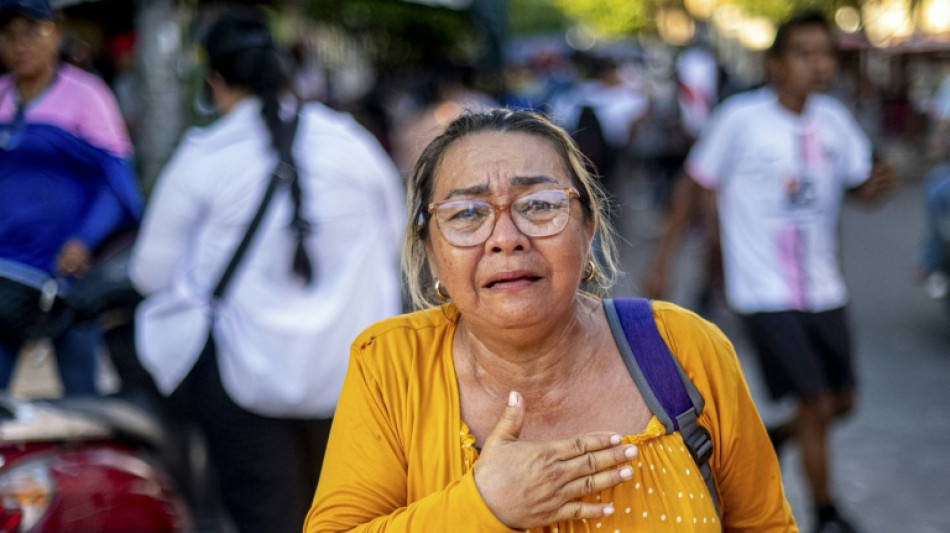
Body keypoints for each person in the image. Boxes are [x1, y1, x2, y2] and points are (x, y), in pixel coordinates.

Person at [304, 108, 797, 532]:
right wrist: (483, 505)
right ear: (431, 252)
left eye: (539, 205)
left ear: (588, 228)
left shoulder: (685, 347)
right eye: (467, 213)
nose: (506, 237)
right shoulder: (391, 366)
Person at [129, 9, 404, 533]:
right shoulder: (352, 144)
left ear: (214, 79)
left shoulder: (203, 159)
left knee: (268, 516)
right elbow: (393, 240)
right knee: (356, 515)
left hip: (241, 381)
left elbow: (150, 275)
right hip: (353, 377)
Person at [643, 12, 898, 533]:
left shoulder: (834, 120)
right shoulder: (741, 119)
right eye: (805, 54)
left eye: (826, 53)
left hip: (826, 287)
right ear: (776, 64)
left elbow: (859, 188)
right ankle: (826, 514)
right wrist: (663, 260)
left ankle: (776, 437)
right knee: (816, 401)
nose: (819, 64)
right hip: (762, 290)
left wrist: (881, 183)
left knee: (842, 402)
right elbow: (694, 183)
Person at [0, 0, 141, 395]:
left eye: (32, 31)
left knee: (81, 396)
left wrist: (84, 240)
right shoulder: (2, 96)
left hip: (68, 280)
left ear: (56, 34)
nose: (19, 44)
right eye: (9, 34)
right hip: (6, 274)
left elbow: (116, 183)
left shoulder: (87, 96)